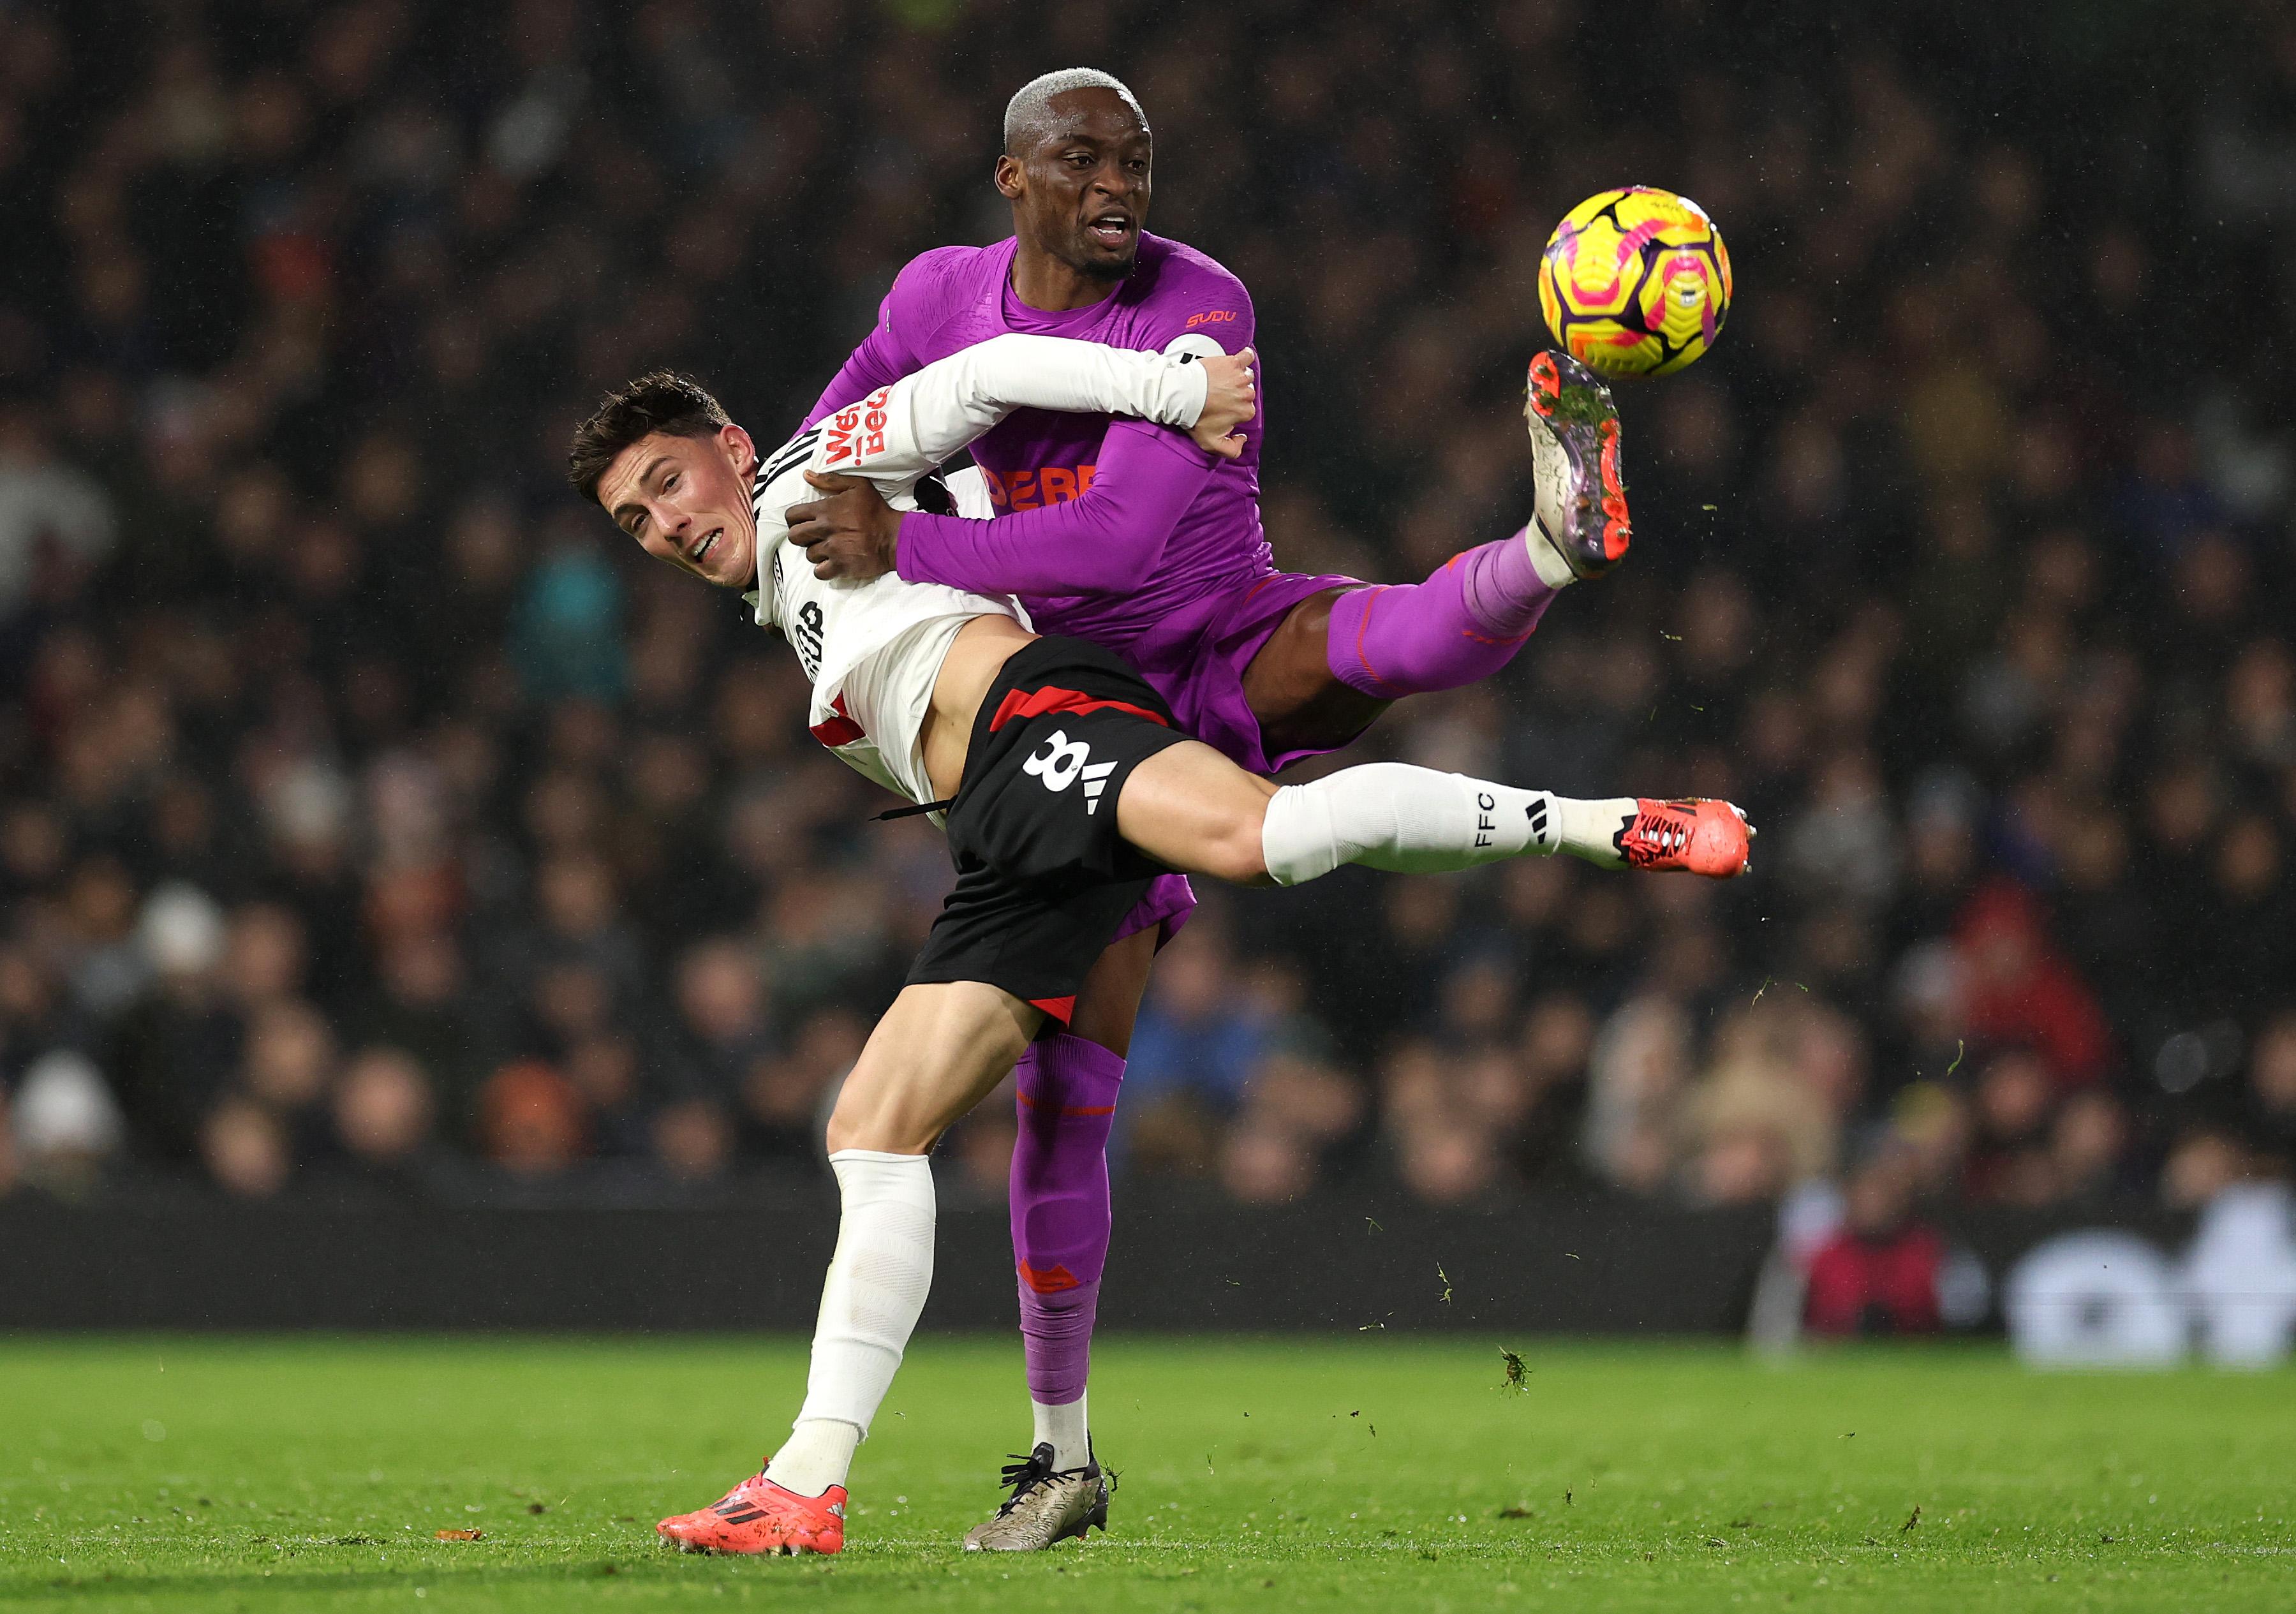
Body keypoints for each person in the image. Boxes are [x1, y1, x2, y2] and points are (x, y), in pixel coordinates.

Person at [567, 341, 1750, 1555]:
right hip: (1005, 834)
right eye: (633, 519)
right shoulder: (787, 584)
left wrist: (1176, 389)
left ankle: (1610, 824)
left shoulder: (823, 470)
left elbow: (977, 380)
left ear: (733, 450)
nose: (662, 524)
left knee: (1268, 835)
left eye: (669, 481)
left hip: (1041, 724)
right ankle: (822, 1484)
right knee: (877, 1127)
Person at [780, 67, 1645, 1532]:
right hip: (1072, 719)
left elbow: (1117, 543)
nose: (1119, 186)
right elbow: (830, 443)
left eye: (1139, 162)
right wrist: (848, 549)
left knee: (1382, 645)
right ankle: (1063, 1457)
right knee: (1063, 1098)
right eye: (1083, 161)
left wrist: (906, 550)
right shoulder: (938, 299)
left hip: (1211, 636)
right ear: (1013, 179)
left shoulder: (1203, 301)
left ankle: (1554, 545)